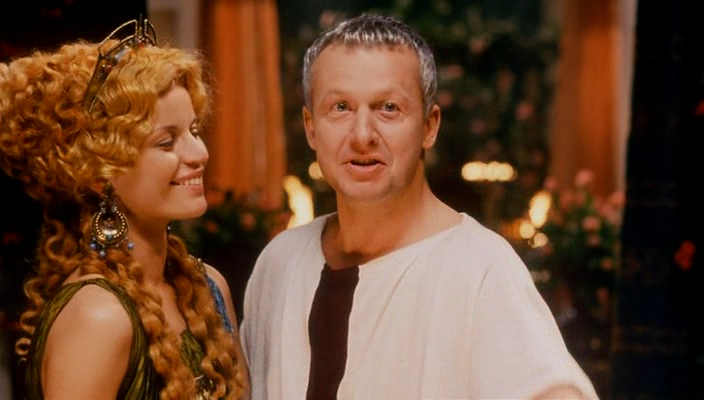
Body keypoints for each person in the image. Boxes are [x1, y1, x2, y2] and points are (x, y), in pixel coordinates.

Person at [241, 13, 598, 400]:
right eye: (340, 107)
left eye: (388, 108)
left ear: (429, 126)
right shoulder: (280, 263)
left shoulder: (479, 269)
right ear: (311, 127)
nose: (362, 135)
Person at [0, 18, 249, 399]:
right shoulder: (98, 316)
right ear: (99, 173)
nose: (199, 153)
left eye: (194, 131)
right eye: (166, 142)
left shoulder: (209, 288)